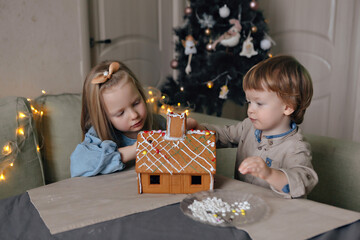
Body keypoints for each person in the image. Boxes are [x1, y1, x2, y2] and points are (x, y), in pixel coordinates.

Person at [187, 55, 318, 198]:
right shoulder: (249, 126)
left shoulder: (296, 147)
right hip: (243, 204)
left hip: (278, 213)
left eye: (259, 103)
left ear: (287, 107)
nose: (250, 110)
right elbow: (223, 135)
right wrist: (198, 129)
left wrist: (269, 174)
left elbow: (302, 181)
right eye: (249, 102)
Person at [70, 60, 166, 177]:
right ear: (104, 117)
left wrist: (185, 131)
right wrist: (135, 149)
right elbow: (78, 165)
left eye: (136, 103)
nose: (134, 115)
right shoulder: (98, 136)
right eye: (120, 113)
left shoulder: (158, 123)